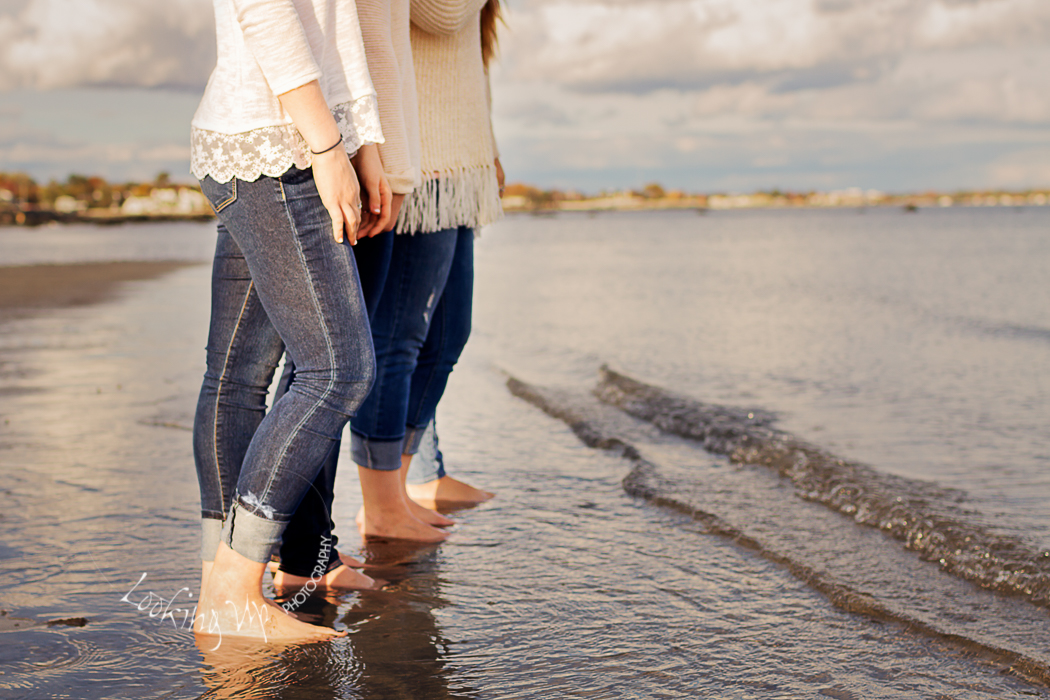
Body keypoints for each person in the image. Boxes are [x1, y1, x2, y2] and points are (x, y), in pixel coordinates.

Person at [189, 0, 395, 641]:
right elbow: (263, 8)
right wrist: (330, 146)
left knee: (237, 377)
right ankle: (230, 590)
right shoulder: (302, 143)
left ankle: (222, 586)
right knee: (338, 371)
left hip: (270, 138)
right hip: (281, 146)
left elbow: (340, 38)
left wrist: (362, 143)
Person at [350, 0, 504, 538]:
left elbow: (469, 52)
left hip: (460, 165)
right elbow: (443, 14)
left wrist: (490, 146)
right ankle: (381, 504)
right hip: (416, 161)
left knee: (447, 337)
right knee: (398, 338)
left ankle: (402, 488)